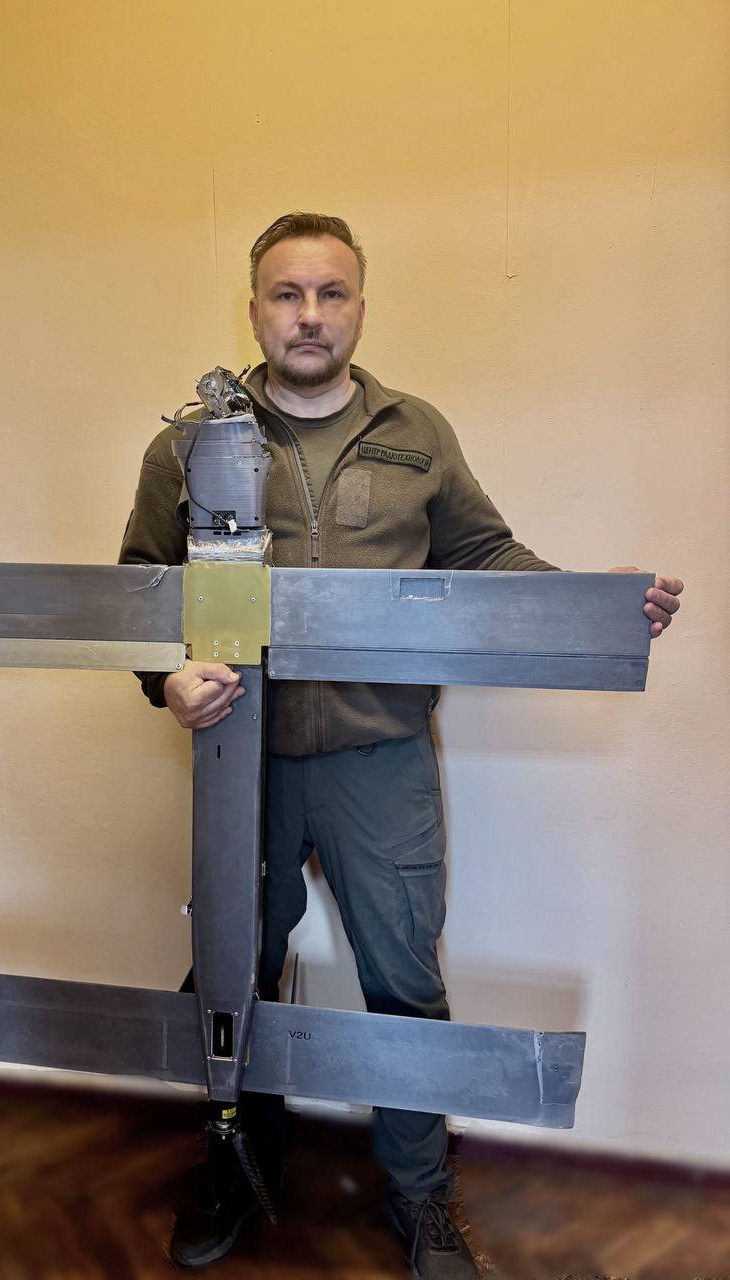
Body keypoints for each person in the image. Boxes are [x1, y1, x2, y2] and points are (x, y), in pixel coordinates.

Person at [118, 212, 683, 1278]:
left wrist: (590, 601)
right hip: (240, 753)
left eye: (331, 293)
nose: (310, 314)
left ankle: (420, 1194)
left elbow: (486, 555)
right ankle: (241, 1164)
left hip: (379, 757)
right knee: (234, 976)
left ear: (360, 308)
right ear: (255, 308)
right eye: (288, 293)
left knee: (404, 983)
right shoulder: (192, 442)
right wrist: (165, 678)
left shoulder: (415, 431)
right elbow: (140, 588)